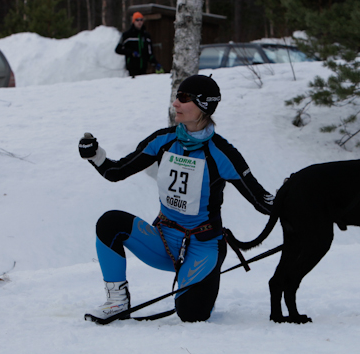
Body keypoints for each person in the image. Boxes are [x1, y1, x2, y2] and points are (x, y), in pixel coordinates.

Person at [78, 75, 274, 323]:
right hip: (164, 240)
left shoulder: (222, 153)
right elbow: (116, 172)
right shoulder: (163, 140)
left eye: (183, 98)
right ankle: (117, 301)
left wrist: (301, 199)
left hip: (203, 246)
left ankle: (204, 287)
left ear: (203, 105)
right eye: (176, 97)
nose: (175, 103)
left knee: (191, 315)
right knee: (110, 223)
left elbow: (261, 200)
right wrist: (95, 155)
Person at [114, 12, 162, 77]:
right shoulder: (126, 35)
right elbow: (118, 50)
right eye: (137, 20)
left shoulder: (146, 36)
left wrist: (156, 63)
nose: (139, 22)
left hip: (144, 68)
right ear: (133, 21)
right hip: (132, 68)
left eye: (141, 20)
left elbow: (150, 53)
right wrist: (131, 52)